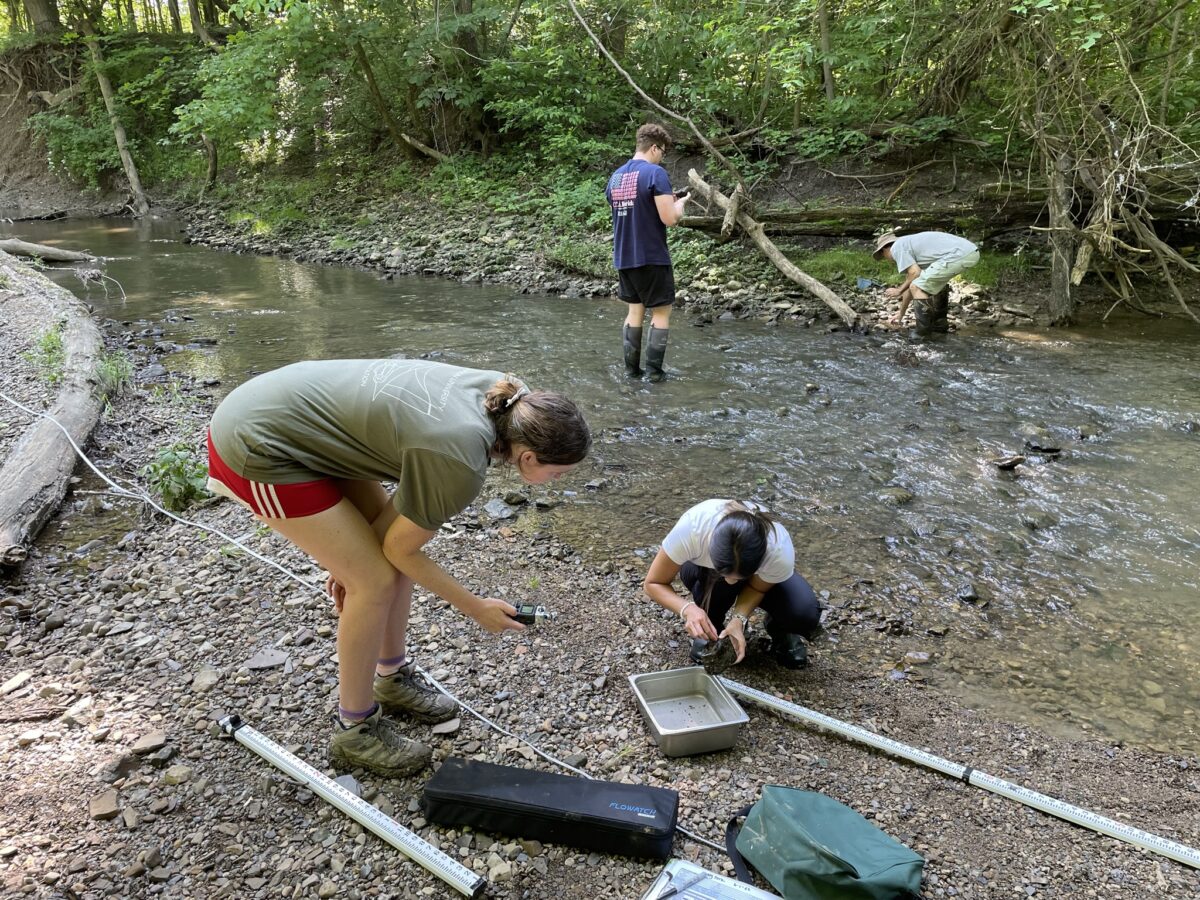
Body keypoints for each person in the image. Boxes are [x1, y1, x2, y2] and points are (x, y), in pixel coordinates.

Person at [206, 359, 590, 776]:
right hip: (258, 443)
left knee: (377, 563)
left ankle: (390, 677)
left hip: (307, 421)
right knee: (372, 581)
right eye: (558, 473)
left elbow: (394, 544)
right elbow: (399, 551)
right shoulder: (461, 460)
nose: (558, 480)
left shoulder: (514, 399)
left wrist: (349, 552)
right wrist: (475, 607)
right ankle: (353, 729)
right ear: (529, 458)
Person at [642, 500, 822, 670]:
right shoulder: (694, 528)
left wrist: (739, 619)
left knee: (803, 612)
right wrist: (687, 609)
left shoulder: (778, 550)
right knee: (719, 584)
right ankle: (712, 626)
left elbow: (757, 587)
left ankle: (780, 629)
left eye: (738, 577)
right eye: (727, 574)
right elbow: (653, 583)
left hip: (757, 577)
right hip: (702, 571)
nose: (731, 581)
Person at [606, 122, 691, 382]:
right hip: (652, 255)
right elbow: (669, 219)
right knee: (661, 312)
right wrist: (681, 205)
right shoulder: (655, 174)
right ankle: (654, 374)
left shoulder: (616, 177)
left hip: (624, 256)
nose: (662, 156)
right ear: (654, 147)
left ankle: (632, 373)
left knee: (634, 312)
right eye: (663, 151)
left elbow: (632, 209)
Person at [873, 231, 980, 336]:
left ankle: (922, 334)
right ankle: (939, 325)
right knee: (931, 284)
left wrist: (898, 290)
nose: (886, 259)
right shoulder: (909, 245)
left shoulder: (897, 247)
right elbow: (911, 282)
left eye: (883, 256)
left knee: (917, 287)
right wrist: (901, 314)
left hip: (958, 254)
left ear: (885, 249)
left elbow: (915, 275)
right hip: (969, 251)